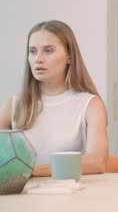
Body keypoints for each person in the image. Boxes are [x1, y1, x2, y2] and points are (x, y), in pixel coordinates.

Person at [0, 20, 108, 176]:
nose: (38, 59)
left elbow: (97, 162)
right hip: (21, 196)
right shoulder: (13, 105)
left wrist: (31, 172)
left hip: (73, 196)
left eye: (48, 51)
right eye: (32, 51)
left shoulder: (91, 105)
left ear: (69, 56)